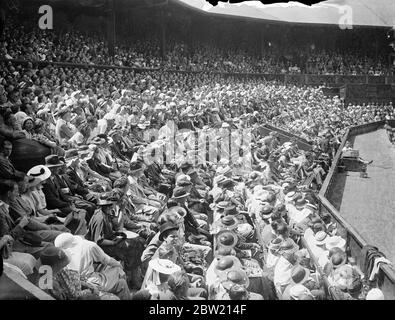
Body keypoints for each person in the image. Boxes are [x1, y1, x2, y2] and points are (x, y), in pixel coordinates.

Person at [53, 233, 131, 300]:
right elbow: (107, 260)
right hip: (90, 282)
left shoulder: (58, 260)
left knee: (111, 271)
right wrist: (119, 265)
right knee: (119, 272)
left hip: (81, 281)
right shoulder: (89, 245)